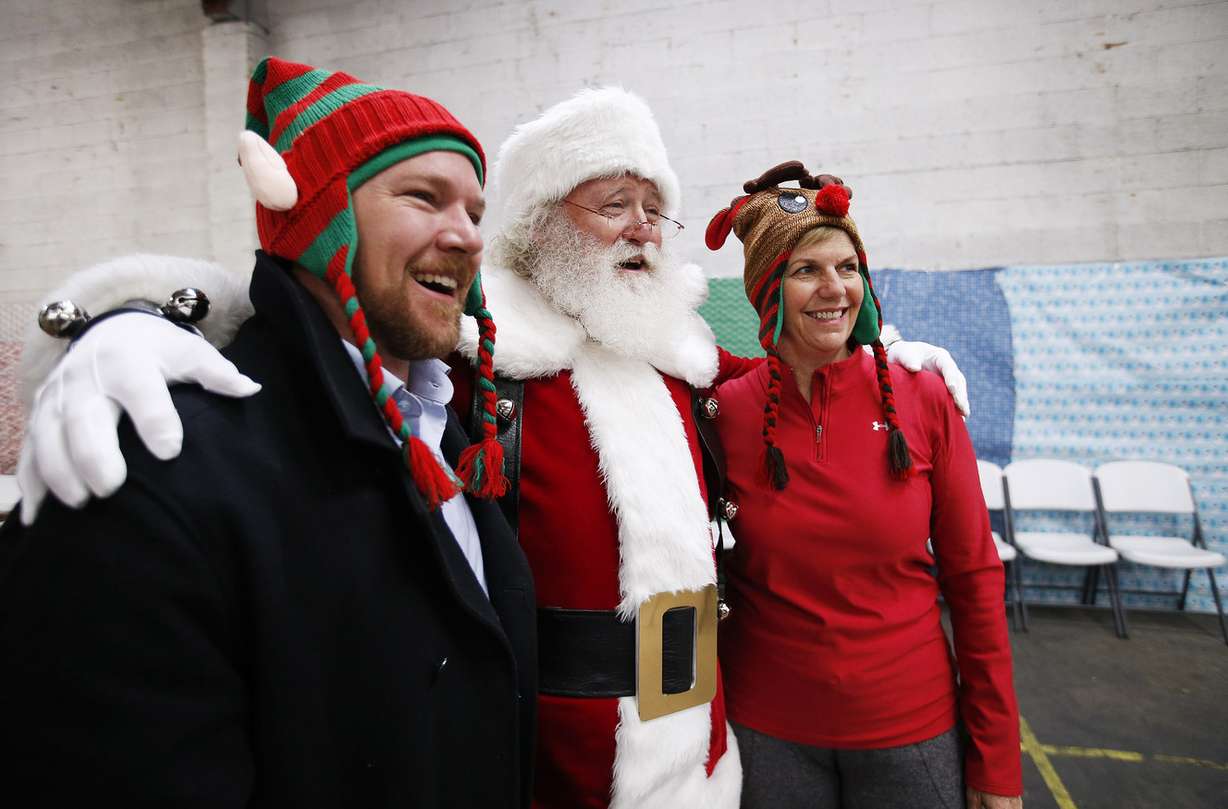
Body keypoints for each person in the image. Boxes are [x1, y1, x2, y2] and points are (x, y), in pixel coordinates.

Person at [14, 91, 968, 808]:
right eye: (614, 204)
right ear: (543, 222)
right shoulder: (479, 351)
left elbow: (794, 372)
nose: (644, 229)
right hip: (551, 758)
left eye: (654, 207)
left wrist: (891, 356)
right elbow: (330, 342)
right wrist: (139, 319)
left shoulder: (681, 354)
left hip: (705, 749)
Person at [0, 57, 537, 807]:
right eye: (424, 197)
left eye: (476, 213)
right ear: (317, 218)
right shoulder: (152, 468)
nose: (469, 237)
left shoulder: (447, 435)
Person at [704, 161, 1023, 809]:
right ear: (767, 288)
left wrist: (997, 758)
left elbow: (975, 580)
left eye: (848, 267)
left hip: (911, 732)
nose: (835, 288)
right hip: (767, 733)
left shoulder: (925, 396)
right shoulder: (723, 411)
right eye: (806, 269)